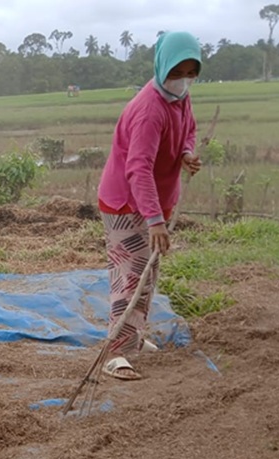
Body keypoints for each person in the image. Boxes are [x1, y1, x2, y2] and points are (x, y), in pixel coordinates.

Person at [97, 32, 203, 381]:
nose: (183, 80)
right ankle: (116, 352)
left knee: (148, 274)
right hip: (127, 203)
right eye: (177, 72)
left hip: (155, 202)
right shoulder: (149, 110)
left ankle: (134, 338)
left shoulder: (179, 100)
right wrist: (154, 220)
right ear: (162, 67)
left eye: (191, 73)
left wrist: (186, 152)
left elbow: (188, 129)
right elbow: (137, 168)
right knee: (130, 275)